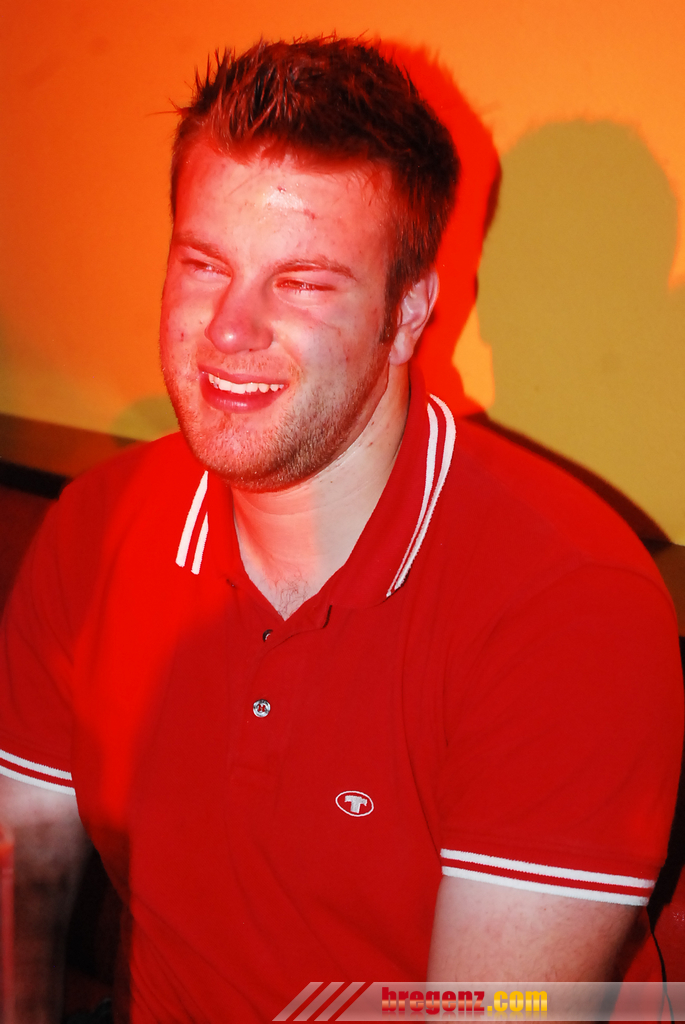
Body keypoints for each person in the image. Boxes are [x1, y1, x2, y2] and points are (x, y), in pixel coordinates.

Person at [0, 37, 682, 1024]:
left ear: (407, 315)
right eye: (204, 263)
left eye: (304, 281)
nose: (229, 329)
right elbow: (19, 897)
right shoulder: (97, 529)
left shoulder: (566, 601)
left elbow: (502, 1011)